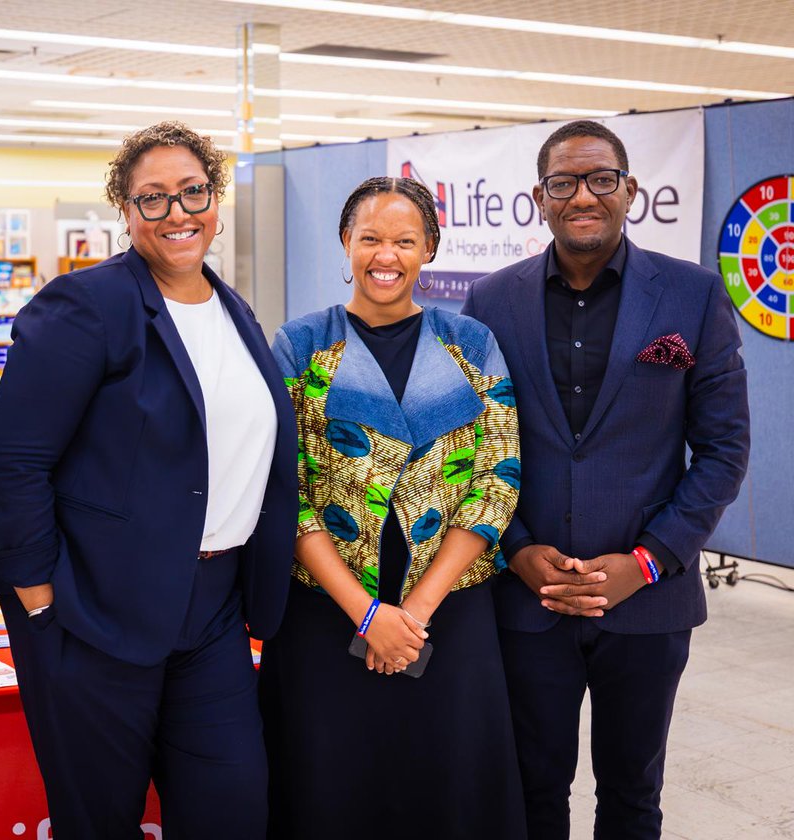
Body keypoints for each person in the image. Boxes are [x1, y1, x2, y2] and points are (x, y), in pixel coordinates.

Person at [0, 121, 296, 839]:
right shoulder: (85, 306)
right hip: (95, 610)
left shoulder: (234, 310)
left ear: (216, 199)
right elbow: (14, 459)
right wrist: (37, 596)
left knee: (234, 808)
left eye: (193, 192)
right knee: (100, 819)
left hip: (214, 610)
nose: (177, 212)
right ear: (124, 212)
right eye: (152, 198)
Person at [462, 120, 750, 840]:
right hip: (529, 598)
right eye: (564, 182)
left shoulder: (692, 296)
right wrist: (516, 550)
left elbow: (723, 449)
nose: (583, 195)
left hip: (646, 604)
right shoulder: (491, 303)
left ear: (630, 191)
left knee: (632, 793)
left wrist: (647, 561)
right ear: (540, 198)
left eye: (600, 179)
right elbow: (472, 446)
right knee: (531, 789)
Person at [260, 176, 528, 839]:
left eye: (405, 240)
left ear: (429, 248)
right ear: (346, 243)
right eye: (371, 238)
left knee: (448, 787)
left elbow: (499, 478)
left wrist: (412, 615)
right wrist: (367, 613)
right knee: (330, 788)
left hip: (449, 613)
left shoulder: (470, 344)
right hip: (324, 613)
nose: (387, 255)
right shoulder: (300, 345)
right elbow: (283, 492)